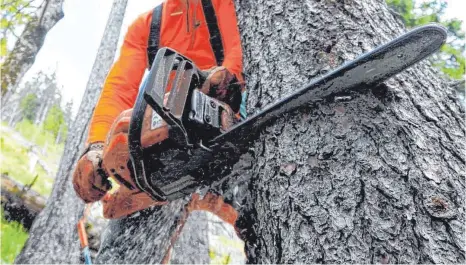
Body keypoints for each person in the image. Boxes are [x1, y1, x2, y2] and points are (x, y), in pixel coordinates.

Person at [72, 0, 247, 262]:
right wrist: (97, 146)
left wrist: (225, 80)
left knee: (269, 214)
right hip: (168, 151)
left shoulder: (227, 4)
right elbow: (119, 88)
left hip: (228, 139)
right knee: (130, 219)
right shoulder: (147, 25)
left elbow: (239, 48)